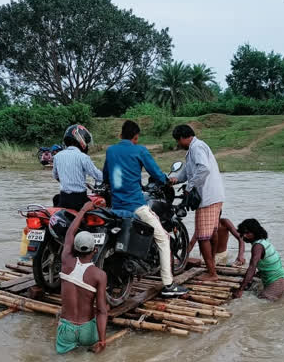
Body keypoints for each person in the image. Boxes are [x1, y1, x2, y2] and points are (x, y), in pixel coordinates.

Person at [102, 120, 188, 297]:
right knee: (163, 238)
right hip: (135, 206)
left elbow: (106, 176)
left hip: (115, 207)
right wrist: (166, 180)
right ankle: (168, 285)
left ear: (120, 135)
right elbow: (155, 172)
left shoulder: (111, 150)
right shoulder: (139, 149)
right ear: (136, 137)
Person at [169, 124, 225, 282]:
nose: (178, 144)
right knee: (211, 233)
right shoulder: (194, 149)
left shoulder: (196, 148)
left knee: (202, 237)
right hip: (214, 196)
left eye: (178, 141)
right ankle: (211, 265)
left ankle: (212, 273)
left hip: (207, 197)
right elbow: (187, 172)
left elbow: (203, 169)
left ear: (182, 138)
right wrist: (174, 179)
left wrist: (189, 187)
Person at [56, 201, 108, 354]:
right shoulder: (99, 275)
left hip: (67, 329)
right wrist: (102, 340)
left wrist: (84, 209)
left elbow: (69, 233)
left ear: (75, 248)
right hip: (87, 330)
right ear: (95, 249)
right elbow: (101, 311)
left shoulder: (66, 260)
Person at [233, 219, 284, 302]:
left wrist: (240, 289)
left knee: (261, 303)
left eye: (248, 233)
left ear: (255, 232)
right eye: (243, 233)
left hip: (277, 284)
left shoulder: (257, 246)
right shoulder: (263, 242)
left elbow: (252, 267)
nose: (245, 236)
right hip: (283, 280)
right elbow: (268, 263)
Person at [52, 124, 103, 211]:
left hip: (64, 199)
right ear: (80, 138)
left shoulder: (57, 156)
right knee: (100, 211)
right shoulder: (83, 157)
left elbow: (56, 176)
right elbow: (98, 176)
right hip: (80, 201)